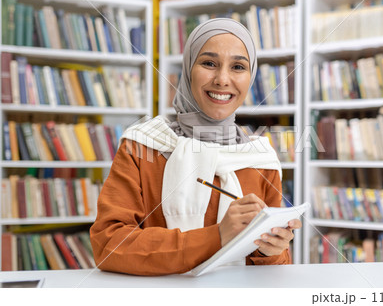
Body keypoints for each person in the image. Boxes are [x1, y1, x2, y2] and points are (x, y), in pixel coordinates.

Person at [90, 18, 301, 276]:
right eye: (209, 63)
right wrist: (216, 236)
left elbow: (271, 271)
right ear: (189, 68)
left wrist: (271, 250)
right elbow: (109, 245)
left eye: (238, 67)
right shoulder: (142, 146)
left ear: (251, 76)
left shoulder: (261, 160)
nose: (223, 80)